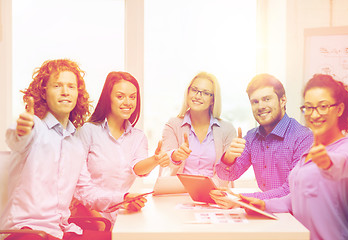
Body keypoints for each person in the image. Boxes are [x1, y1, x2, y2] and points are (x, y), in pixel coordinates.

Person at [0, 59, 146, 240]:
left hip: (60, 231)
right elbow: (16, 138)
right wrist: (22, 129)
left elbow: (87, 192)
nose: (65, 92)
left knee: (116, 237)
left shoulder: (75, 144)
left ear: (78, 93)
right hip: (26, 232)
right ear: (44, 92)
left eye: (71, 86)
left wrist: (124, 197)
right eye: (57, 85)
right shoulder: (34, 127)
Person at [238, 74, 348, 240]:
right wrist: (264, 205)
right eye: (309, 107)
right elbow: (296, 198)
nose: (314, 115)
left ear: (339, 109)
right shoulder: (308, 154)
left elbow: (344, 162)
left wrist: (328, 162)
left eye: (323, 106)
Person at [70, 71, 169, 228]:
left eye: (132, 97)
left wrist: (155, 160)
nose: (128, 102)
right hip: (88, 217)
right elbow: (79, 187)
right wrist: (103, 225)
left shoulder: (138, 137)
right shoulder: (88, 131)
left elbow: (138, 167)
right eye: (120, 96)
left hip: (121, 215)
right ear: (108, 98)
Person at [211, 73, 313, 205]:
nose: (261, 106)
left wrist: (239, 199)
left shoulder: (303, 137)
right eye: (255, 102)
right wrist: (228, 158)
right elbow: (227, 176)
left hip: (295, 215)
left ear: (283, 100)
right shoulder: (251, 137)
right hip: (265, 212)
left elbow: (291, 190)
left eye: (267, 99)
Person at [160, 72, 236, 187]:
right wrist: (176, 156)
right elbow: (165, 163)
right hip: (178, 194)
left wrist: (207, 190)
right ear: (188, 92)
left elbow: (228, 171)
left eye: (205, 93)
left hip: (214, 193)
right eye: (194, 90)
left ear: (213, 100)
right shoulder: (173, 125)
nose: (197, 96)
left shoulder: (227, 129)